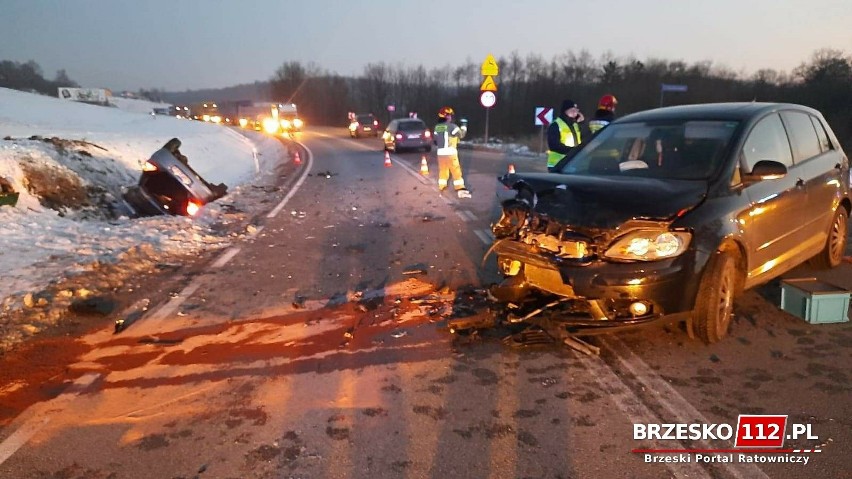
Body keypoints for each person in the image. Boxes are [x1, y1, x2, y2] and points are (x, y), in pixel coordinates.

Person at [433, 106, 470, 198]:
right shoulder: (452, 126)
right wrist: (464, 125)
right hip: (450, 153)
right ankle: (460, 189)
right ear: (446, 116)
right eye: (449, 115)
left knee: (443, 171)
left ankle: (442, 187)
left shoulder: (437, 127)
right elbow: (461, 135)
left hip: (440, 153)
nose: (451, 117)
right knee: (456, 171)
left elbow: (435, 139)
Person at [546, 99, 584, 171]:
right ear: (565, 111)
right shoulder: (556, 125)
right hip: (557, 164)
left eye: (576, 110)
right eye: (572, 110)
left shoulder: (576, 125)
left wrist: (582, 123)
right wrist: (573, 151)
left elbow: (585, 138)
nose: (575, 113)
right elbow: (554, 145)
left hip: (572, 163)